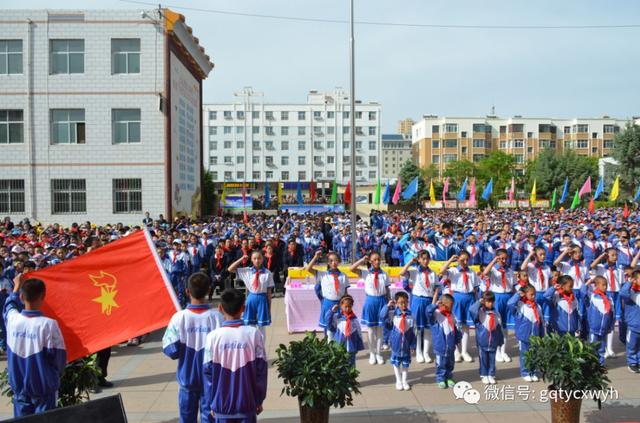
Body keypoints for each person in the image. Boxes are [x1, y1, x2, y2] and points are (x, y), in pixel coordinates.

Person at [163, 272, 224, 423]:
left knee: (186, 418)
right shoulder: (217, 317)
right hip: (211, 379)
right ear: (209, 290)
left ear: (187, 291)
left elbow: (171, 350)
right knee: (209, 418)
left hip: (187, 377)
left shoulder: (179, 318)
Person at [3, 274, 66, 417]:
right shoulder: (49, 325)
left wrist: (16, 288)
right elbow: (59, 360)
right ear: (43, 297)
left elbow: (9, 306)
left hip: (20, 391)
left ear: (21, 297)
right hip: (44, 391)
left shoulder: (12, 320)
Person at [203, 289, 267, 422]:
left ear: (220, 308)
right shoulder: (254, 334)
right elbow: (261, 371)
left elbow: (207, 374)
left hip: (221, 407)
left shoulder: (212, 337)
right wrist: (259, 399)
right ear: (243, 308)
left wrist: (211, 403)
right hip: (247, 404)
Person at [350, 252, 390, 365]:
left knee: (380, 330)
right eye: (374, 260)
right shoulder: (366, 273)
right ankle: (372, 353)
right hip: (371, 302)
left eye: (378, 259)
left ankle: (378, 353)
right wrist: (362, 260)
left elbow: (387, 290)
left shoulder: (384, 274)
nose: (377, 262)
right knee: (371, 330)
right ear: (371, 261)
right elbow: (351, 269)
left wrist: (389, 304)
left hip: (382, 302)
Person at [399, 251, 440, 363]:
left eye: (427, 258)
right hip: (417, 300)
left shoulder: (433, 273)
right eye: (423, 259)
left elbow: (436, 289)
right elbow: (402, 273)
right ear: (419, 260)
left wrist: (433, 303)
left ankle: (426, 352)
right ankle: (418, 352)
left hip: (429, 300)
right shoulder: (414, 271)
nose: (426, 261)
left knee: (427, 328)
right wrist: (410, 262)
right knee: (417, 328)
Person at [439, 251, 480, 363]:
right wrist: (450, 260)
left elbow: (476, 289)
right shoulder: (453, 271)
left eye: (467, 259)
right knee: (456, 325)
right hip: (457, 298)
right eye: (462, 260)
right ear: (458, 260)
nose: (465, 262)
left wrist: (477, 303)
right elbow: (442, 271)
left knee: (466, 326)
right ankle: (456, 351)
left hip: (470, 298)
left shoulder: (472, 272)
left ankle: (464, 351)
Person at [228, 250, 274, 343]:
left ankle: (261, 348)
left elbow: (269, 292)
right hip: (251, 298)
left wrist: (269, 308)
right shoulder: (247, 271)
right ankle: (251, 345)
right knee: (250, 325)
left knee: (261, 327)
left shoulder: (267, 273)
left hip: (262, 299)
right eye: (255, 258)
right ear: (252, 260)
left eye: (259, 258)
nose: (257, 260)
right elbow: (230, 269)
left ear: (262, 259)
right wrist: (241, 259)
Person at [307, 251, 349, 340]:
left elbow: (345, 293)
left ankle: (339, 347)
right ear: (328, 262)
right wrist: (315, 256)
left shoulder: (343, 276)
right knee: (327, 326)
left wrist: (346, 306)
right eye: (331, 261)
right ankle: (328, 346)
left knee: (340, 327)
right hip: (327, 304)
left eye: (336, 260)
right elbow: (308, 269)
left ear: (339, 261)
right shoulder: (323, 274)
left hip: (339, 304)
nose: (334, 263)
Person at [482, 249, 515, 363]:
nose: (503, 260)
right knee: (496, 326)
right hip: (497, 297)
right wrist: (494, 261)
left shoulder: (510, 271)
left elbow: (513, 286)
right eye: (500, 258)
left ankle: (503, 350)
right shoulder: (494, 270)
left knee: (505, 327)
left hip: (508, 297)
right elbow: (485, 273)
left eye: (505, 258)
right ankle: (496, 351)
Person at [507, 284, 544, 382]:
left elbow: (541, 322)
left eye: (534, 294)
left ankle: (534, 371)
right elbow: (510, 304)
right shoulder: (520, 306)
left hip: (535, 336)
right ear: (525, 295)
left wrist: (542, 335)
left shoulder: (538, 307)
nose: (534, 296)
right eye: (531, 294)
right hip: (524, 336)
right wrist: (518, 294)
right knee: (524, 355)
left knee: (535, 354)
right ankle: (525, 372)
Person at [380, 292, 416, 391]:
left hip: (406, 346)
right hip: (396, 346)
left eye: (405, 302)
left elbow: (413, 332)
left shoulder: (411, 316)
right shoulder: (393, 314)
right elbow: (382, 317)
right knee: (396, 364)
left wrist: (413, 345)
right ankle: (398, 380)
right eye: (400, 303)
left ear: (408, 302)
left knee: (405, 364)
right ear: (396, 303)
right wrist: (387, 306)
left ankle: (404, 380)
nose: (403, 304)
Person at [591, 248, 624, 358]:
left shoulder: (619, 269)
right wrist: (601, 256)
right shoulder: (601, 268)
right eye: (612, 255)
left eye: (616, 255)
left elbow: (621, 283)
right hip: (606, 295)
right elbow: (592, 266)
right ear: (607, 256)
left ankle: (609, 348)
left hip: (616, 294)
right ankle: (603, 348)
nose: (615, 257)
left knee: (612, 322)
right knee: (605, 321)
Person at [426, 294, 460, 389]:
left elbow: (454, 329)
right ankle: (440, 378)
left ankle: (449, 377)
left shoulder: (452, 315)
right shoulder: (436, 314)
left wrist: (457, 338)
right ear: (444, 304)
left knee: (450, 363)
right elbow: (428, 312)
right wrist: (435, 305)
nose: (452, 307)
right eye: (450, 305)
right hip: (440, 346)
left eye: (452, 305)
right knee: (441, 363)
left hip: (450, 345)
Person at [470, 292, 504, 385]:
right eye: (488, 302)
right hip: (483, 341)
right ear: (484, 302)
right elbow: (472, 311)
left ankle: (491, 374)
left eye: (492, 302)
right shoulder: (480, 312)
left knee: (492, 360)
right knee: (483, 359)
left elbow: (499, 328)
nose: (490, 304)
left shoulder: (496, 313)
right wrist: (478, 303)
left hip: (493, 341)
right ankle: (484, 374)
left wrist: (500, 340)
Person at [581, 275, 615, 365]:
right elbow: (582, 292)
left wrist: (610, 326)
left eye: (606, 285)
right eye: (602, 285)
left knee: (602, 349)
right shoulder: (592, 296)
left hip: (604, 329)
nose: (605, 287)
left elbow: (611, 313)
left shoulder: (609, 298)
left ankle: (601, 365)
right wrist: (588, 282)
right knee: (592, 347)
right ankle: (592, 364)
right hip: (594, 329)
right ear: (596, 285)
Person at [324, 294, 364, 367]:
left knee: (352, 366)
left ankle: (351, 378)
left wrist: (358, 346)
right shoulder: (337, 317)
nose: (348, 308)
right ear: (341, 306)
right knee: (340, 366)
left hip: (351, 349)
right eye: (346, 306)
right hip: (339, 348)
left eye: (350, 306)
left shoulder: (354, 319)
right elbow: (328, 322)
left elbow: (359, 333)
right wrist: (331, 311)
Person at [522, 246, 552, 323]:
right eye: (540, 254)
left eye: (544, 254)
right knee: (536, 315)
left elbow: (550, 282)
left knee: (546, 317)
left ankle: (545, 333)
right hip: (535, 293)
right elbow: (522, 268)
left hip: (546, 293)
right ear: (535, 255)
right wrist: (529, 255)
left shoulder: (547, 267)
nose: (543, 256)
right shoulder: (531, 266)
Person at [620, 270, 640, 373]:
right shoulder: (630, 292)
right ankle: (632, 363)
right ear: (635, 280)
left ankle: (639, 362)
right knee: (632, 346)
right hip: (633, 326)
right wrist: (629, 282)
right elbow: (622, 293)